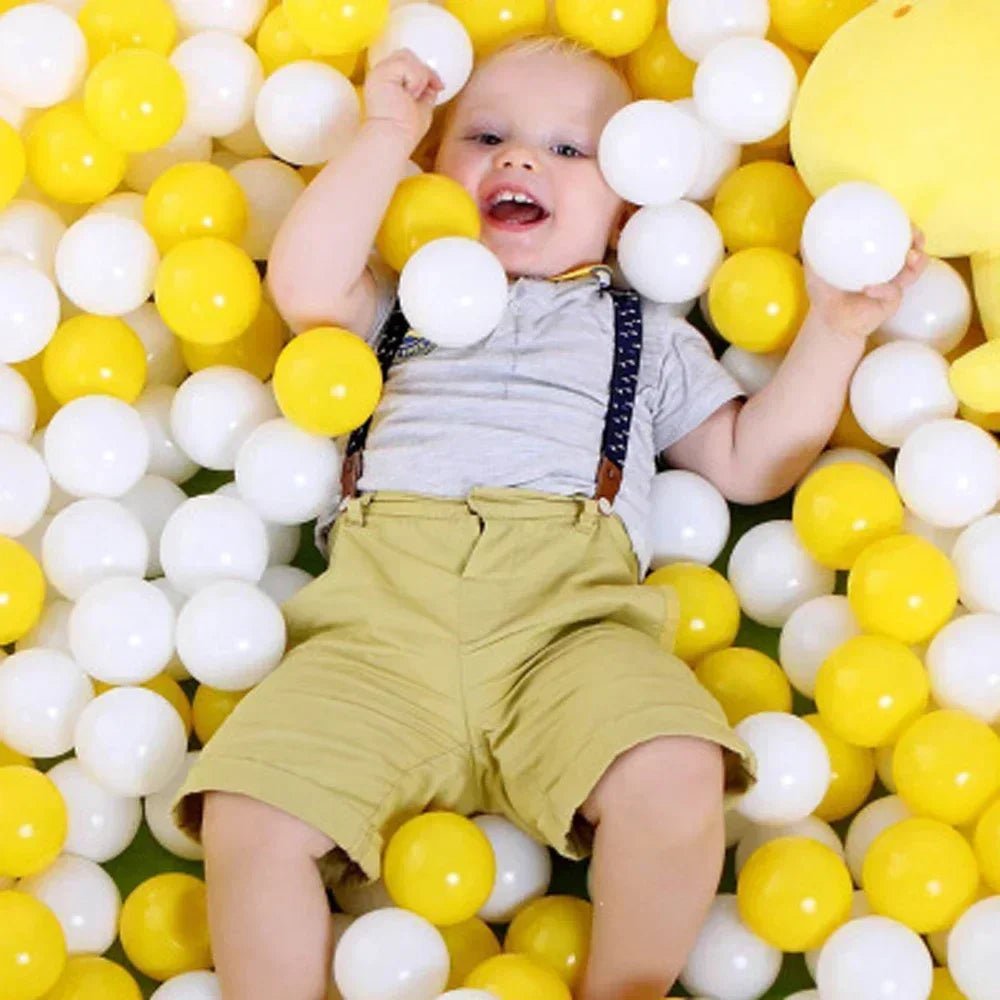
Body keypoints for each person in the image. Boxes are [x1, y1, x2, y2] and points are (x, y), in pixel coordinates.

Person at [174, 35, 926, 1000]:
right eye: (484, 136)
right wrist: (384, 135)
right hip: (373, 639)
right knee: (249, 809)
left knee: (677, 768)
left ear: (628, 211)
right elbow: (305, 284)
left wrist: (833, 331)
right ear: (433, 175)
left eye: (570, 152)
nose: (521, 160)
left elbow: (752, 461)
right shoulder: (397, 300)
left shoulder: (642, 332)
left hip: (567, 632)